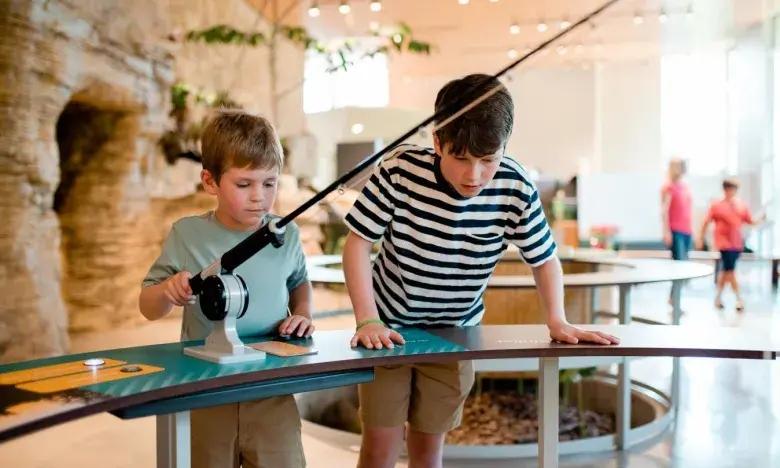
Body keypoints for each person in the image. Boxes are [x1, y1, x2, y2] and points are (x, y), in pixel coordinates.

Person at [341, 74, 620, 468]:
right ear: (436, 142)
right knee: (379, 448)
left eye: (488, 160)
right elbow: (356, 242)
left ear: (504, 147)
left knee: (428, 451)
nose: (473, 175)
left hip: (456, 334)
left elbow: (543, 258)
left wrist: (556, 318)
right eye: (460, 158)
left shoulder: (516, 186)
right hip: (389, 331)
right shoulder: (399, 170)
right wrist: (367, 319)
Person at [139, 111, 312, 468]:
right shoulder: (186, 234)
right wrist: (167, 292)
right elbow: (148, 305)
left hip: (271, 389)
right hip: (206, 389)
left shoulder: (287, 233)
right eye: (244, 184)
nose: (259, 198)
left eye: (269, 183)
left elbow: (299, 282)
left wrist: (303, 315)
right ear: (210, 181)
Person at [698, 178, 763, 311]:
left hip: (736, 244)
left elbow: (750, 221)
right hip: (724, 244)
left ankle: (718, 298)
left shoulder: (740, 205)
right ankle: (739, 299)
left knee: (726, 272)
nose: (732, 192)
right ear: (725, 189)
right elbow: (706, 222)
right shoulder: (717, 205)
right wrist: (700, 238)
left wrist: (761, 217)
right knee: (730, 271)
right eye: (730, 189)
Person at [661, 158, 693, 260]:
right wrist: (666, 232)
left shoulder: (685, 186)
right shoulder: (668, 187)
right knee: (679, 262)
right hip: (675, 231)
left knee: (686, 262)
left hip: (687, 230)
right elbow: (664, 211)